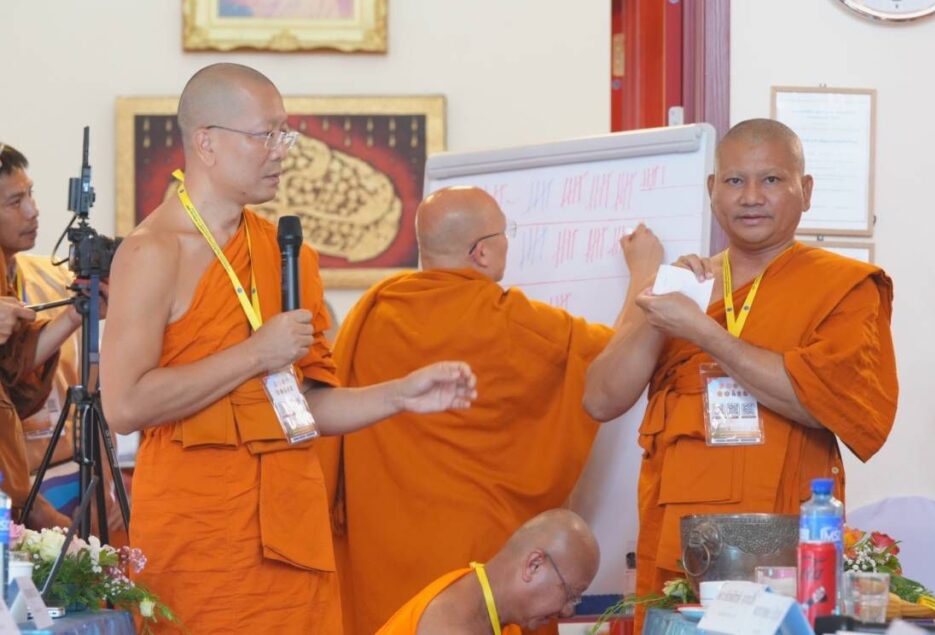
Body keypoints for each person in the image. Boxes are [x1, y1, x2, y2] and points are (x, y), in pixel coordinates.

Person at [99, 63, 477, 633]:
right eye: (265, 135)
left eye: (285, 134)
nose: (281, 152)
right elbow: (125, 405)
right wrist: (255, 354)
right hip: (200, 540)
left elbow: (305, 405)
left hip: (292, 535)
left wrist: (400, 395)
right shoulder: (152, 252)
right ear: (206, 143)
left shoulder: (284, 252)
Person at [583, 119, 899, 629]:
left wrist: (703, 332)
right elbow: (600, 399)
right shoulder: (686, 285)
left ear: (806, 191)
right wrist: (663, 299)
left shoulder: (841, 286)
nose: (751, 197)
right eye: (734, 181)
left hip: (785, 553)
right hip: (679, 547)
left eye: (771, 179)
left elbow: (817, 400)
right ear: (713, 190)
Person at [316, 185, 661, 634]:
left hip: (379, 556)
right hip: (468, 563)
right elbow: (611, 369)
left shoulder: (377, 310)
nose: (508, 244)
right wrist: (645, 274)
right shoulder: (509, 322)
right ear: (481, 252)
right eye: (505, 233)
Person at [0, 143, 97, 530]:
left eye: (31, 194)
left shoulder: (52, 276)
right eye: (15, 201)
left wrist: (77, 311)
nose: (33, 210)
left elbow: (18, 363)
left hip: (66, 468)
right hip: (17, 483)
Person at [377, 509, 600, 635]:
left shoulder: (485, 595)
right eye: (571, 594)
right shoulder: (451, 626)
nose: (568, 610)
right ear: (534, 565)